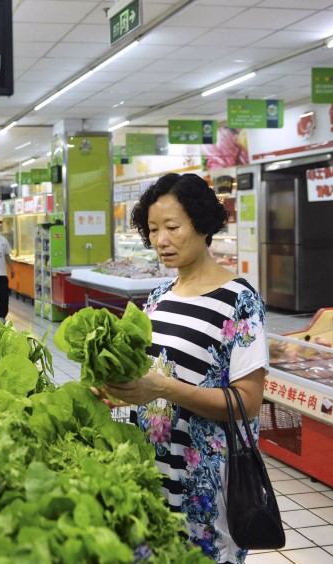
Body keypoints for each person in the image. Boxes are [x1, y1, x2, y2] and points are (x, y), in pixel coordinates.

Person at [96, 173, 267, 562]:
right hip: (155, 473)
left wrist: (163, 389)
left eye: (172, 227)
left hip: (206, 488)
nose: (160, 240)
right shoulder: (158, 297)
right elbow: (151, 372)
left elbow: (249, 402)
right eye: (153, 229)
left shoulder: (239, 301)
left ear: (202, 224)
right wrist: (116, 391)